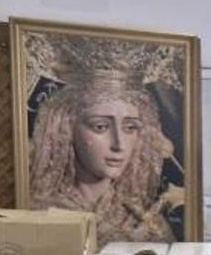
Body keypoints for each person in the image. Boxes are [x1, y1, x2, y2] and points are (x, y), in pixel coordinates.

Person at [29, 68, 177, 244]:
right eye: (100, 126)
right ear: (66, 129)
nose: (119, 144)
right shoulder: (40, 217)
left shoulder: (147, 222)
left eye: (130, 128)